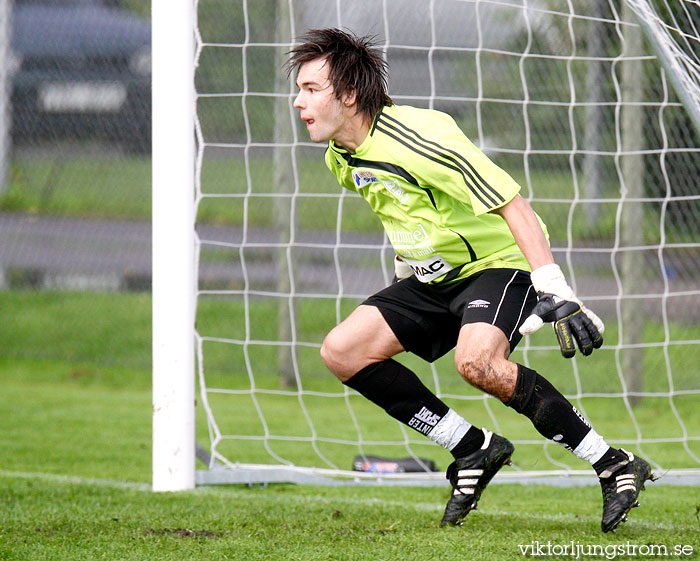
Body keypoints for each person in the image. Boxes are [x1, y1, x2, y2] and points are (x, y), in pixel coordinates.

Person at [285, 28, 654, 532]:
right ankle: (473, 447)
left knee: (477, 363)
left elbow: (513, 204)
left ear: (348, 95)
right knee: (341, 351)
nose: (297, 101)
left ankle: (613, 463)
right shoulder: (340, 156)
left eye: (310, 89)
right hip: (435, 276)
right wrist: (404, 275)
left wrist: (555, 287)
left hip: (499, 263)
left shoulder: (422, 138)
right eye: (299, 88)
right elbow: (397, 210)